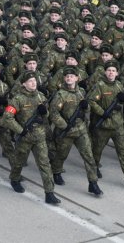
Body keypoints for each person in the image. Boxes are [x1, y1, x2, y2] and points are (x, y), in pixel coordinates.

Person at [2, 72, 60, 205]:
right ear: (24, 84)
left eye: (34, 81)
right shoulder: (18, 99)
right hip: (25, 138)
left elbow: (47, 116)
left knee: (44, 164)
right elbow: (7, 118)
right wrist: (20, 131)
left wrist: (45, 112)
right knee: (19, 162)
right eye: (30, 81)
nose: (33, 83)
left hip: (39, 136)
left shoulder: (41, 96)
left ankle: (49, 193)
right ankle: (15, 179)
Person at [50, 66, 102, 196]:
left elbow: (87, 110)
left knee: (89, 157)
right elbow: (54, 113)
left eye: (72, 76)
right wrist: (64, 125)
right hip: (66, 131)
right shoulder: (60, 94)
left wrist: (86, 107)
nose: (69, 78)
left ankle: (93, 183)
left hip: (81, 130)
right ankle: (56, 172)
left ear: (77, 78)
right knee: (61, 154)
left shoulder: (82, 93)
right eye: (67, 76)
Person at [88, 60, 124, 186]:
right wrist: (102, 112)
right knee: (97, 150)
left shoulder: (119, 86)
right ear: (105, 72)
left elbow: (123, 102)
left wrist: (122, 102)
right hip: (103, 126)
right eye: (109, 70)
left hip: (117, 125)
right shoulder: (99, 85)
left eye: (113, 71)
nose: (111, 73)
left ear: (117, 73)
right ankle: (95, 169)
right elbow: (91, 100)